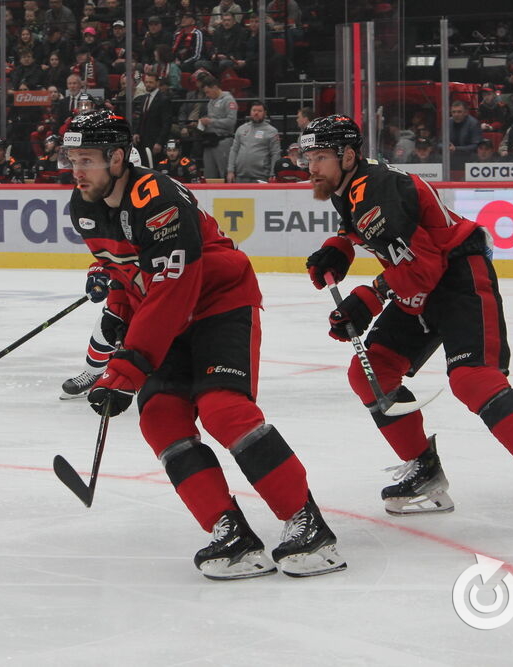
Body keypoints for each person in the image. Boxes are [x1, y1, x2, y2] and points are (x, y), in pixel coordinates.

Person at [63, 109, 347, 579]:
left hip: (219, 302)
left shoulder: (158, 198)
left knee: (223, 410)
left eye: (86, 160)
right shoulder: (85, 205)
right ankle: (230, 531)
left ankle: (307, 523)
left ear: (116, 158)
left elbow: (173, 289)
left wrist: (127, 368)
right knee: (160, 417)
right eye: (72, 160)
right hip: (168, 318)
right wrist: (118, 308)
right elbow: (128, 272)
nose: (77, 171)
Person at [300, 114, 513, 527]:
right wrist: (338, 247)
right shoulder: (350, 185)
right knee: (371, 373)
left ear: (347, 156)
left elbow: (425, 265)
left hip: (458, 277)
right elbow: (364, 231)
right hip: (421, 279)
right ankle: (424, 469)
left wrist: (368, 298)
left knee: (472, 379)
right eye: (308, 158)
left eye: (320, 157)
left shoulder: (377, 189)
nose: (311, 168)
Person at [227, 101, 281, 183]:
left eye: (259, 111)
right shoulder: (241, 129)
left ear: (265, 113)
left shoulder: (272, 131)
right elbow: (234, 150)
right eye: (254, 110)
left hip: (261, 177)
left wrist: (273, 174)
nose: (256, 113)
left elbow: (275, 154)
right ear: (250, 112)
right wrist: (230, 170)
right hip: (240, 176)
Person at [197, 77, 238, 179]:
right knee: (209, 174)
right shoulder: (211, 101)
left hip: (223, 141)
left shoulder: (228, 100)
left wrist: (211, 122)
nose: (207, 95)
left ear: (215, 87)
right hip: (210, 140)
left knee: (224, 173)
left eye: (208, 92)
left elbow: (231, 122)